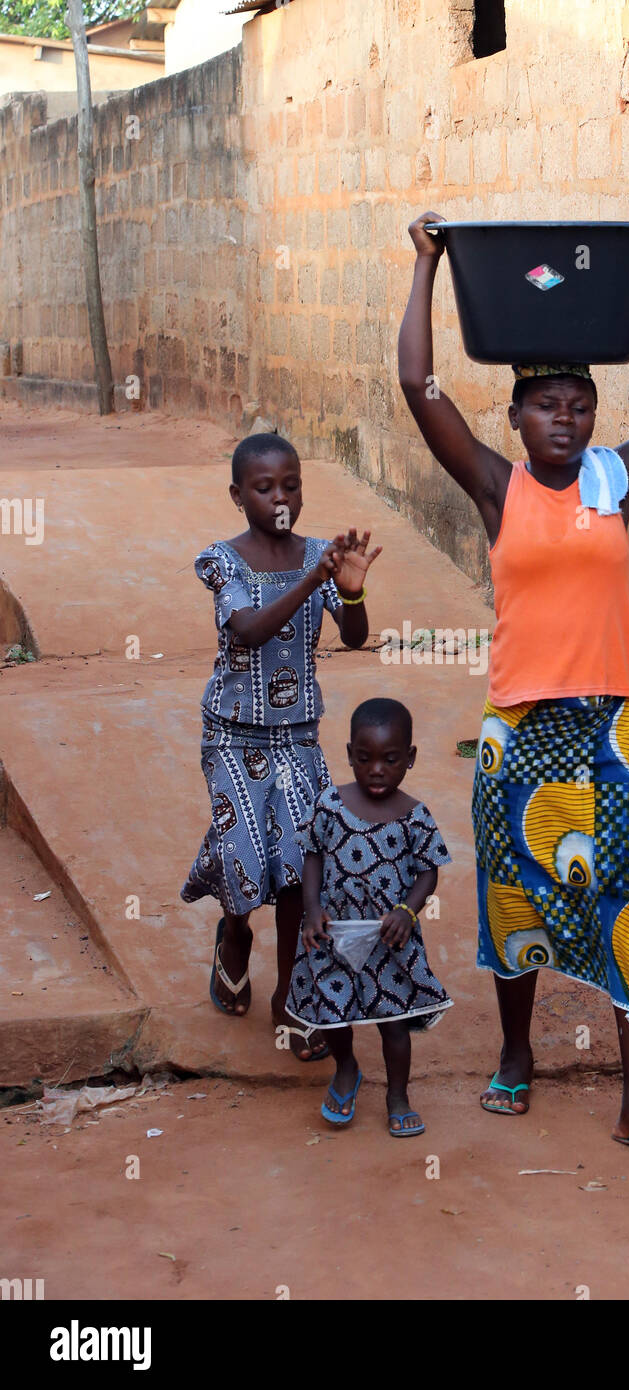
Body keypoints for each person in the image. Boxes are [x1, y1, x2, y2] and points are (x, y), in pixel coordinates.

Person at [397, 211, 629, 1156]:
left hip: (608, 727)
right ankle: (514, 1055)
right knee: (514, 898)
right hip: (519, 725)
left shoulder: (613, 481)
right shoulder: (500, 489)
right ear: (516, 418)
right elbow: (419, 384)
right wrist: (425, 268)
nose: (565, 420)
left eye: (579, 405)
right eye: (546, 407)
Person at [180, 432, 381, 1064]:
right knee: (244, 868)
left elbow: (353, 636)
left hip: (297, 737)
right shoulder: (224, 561)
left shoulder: (321, 555)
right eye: (264, 488)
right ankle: (234, 935)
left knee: (300, 867)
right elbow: (246, 631)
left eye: (290, 484)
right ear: (238, 495)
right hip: (234, 737)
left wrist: (348, 588)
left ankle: (293, 996)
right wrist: (310, 581)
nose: (280, 497)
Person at [287, 697, 453, 1135]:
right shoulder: (329, 805)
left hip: (389, 938)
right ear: (349, 756)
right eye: (365, 759)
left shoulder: (415, 816)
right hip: (334, 933)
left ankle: (398, 1095)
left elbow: (427, 872)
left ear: (410, 759)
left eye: (390, 759)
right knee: (334, 1014)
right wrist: (310, 911)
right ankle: (346, 1069)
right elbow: (313, 857)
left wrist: (407, 911)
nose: (376, 769)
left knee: (394, 1024)